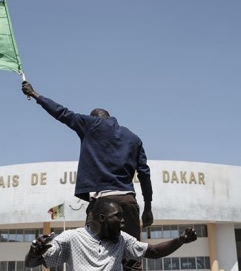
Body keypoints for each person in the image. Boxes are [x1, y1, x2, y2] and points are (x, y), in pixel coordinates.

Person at [22, 81, 153, 270]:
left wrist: (35, 95)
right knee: (132, 261)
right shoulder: (134, 138)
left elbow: (61, 113)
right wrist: (147, 208)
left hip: (102, 205)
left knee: (93, 254)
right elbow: (144, 174)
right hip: (128, 202)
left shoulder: (91, 124)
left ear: (95, 118)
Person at [25, 198, 197, 270]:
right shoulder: (72, 238)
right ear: (102, 218)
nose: (123, 222)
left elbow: (155, 251)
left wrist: (180, 240)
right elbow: (32, 263)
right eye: (118, 217)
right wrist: (34, 252)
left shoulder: (122, 240)